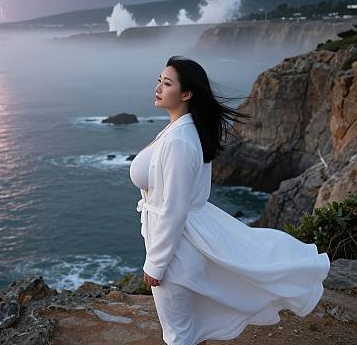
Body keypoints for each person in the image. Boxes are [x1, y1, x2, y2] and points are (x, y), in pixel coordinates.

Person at [129, 55, 330, 345]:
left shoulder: (179, 140)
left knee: (178, 336)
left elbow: (174, 210)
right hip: (181, 244)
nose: (158, 87)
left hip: (176, 253)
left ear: (186, 94)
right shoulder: (181, 130)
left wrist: (155, 264)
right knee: (189, 331)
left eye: (167, 83)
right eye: (159, 80)